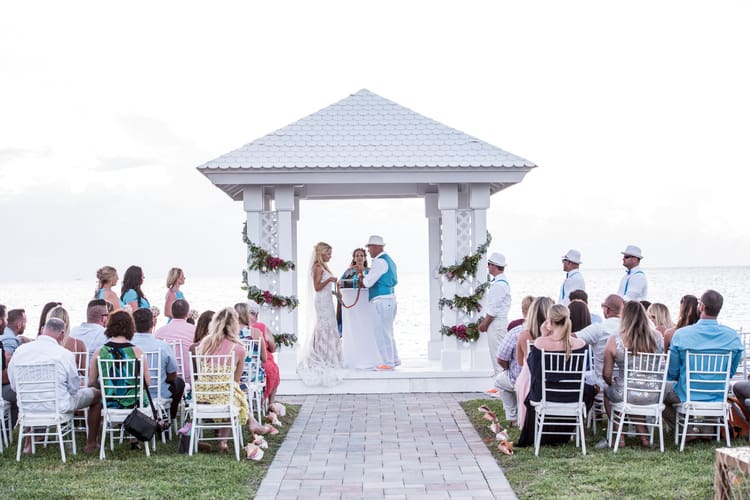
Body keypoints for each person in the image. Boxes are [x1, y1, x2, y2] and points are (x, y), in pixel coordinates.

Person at [10, 317, 102, 453]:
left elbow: (14, 385)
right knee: (96, 394)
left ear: (42, 330)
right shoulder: (64, 355)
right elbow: (74, 388)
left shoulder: (20, 351)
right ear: (62, 334)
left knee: (34, 394)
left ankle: (28, 445)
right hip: (59, 407)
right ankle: (91, 444)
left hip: (27, 407)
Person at [664, 290, 744, 436]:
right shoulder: (732, 337)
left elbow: (673, 371)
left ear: (700, 306)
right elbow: (730, 372)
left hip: (686, 394)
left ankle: (686, 431)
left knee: (660, 395)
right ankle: (707, 430)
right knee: (715, 385)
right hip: (717, 394)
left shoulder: (682, 335)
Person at [195, 307, 274, 450]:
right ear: (234, 325)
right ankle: (225, 440)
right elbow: (236, 380)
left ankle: (247, 426)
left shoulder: (204, 344)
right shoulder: (238, 348)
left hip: (202, 395)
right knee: (235, 393)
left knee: (232, 393)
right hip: (224, 396)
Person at [516, 304, 594, 448]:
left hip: (547, 396)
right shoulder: (580, 344)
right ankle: (567, 431)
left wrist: (544, 335)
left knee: (532, 393)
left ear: (550, 322)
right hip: (573, 396)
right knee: (590, 390)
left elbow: (534, 371)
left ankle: (542, 433)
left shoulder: (541, 343)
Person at [602, 300, 664, 447]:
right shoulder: (657, 338)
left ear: (624, 317)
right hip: (653, 392)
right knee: (633, 392)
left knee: (610, 393)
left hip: (627, 392)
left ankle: (620, 437)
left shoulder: (615, 339)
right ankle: (644, 439)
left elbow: (606, 374)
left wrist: (613, 383)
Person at [89, 310, 151, 449]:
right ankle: (134, 439)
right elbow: (147, 382)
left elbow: (91, 380)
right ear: (130, 328)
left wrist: (106, 387)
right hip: (135, 404)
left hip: (110, 402)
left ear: (109, 326)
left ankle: (94, 441)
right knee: (138, 395)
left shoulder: (100, 351)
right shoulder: (137, 352)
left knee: (98, 398)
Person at [297, 242, 344, 385]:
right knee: (323, 326)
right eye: (328, 253)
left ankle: (331, 356)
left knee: (330, 325)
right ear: (322, 253)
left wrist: (336, 293)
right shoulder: (317, 267)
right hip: (322, 302)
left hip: (328, 300)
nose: (330, 256)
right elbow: (317, 287)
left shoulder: (324, 266)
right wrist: (329, 279)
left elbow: (324, 288)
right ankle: (321, 354)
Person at [131, 308, 185, 421]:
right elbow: (173, 374)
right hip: (158, 394)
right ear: (152, 323)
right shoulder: (163, 346)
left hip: (132, 394)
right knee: (179, 382)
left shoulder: (127, 346)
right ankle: (169, 417)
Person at [357, 235, 400, 370]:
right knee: (388, 331)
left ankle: (387, 363)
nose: (368, 251)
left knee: (381, 332)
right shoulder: (389, 260)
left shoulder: (379, 262)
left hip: (380, 300)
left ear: (375, 247)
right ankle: (394, 359)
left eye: (369, 248)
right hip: (390, 299)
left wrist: (360, 275)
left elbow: (368, 282)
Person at [514, 296, 554, 428]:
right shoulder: (557, 337)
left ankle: (527, 423)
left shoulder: (524, 335)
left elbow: (520, 362)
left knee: (523, 378)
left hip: (529, 380)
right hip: (552, 379)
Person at [574, 294, 624, 392]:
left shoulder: (599, 328)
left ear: (607, 310)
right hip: (626, 386)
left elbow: (572, 338)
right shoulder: (630, 331)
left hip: (602, 386)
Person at [478, 252, 511, 378]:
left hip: (496, 323)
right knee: (496, 353)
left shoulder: (499, 285)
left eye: (489, 264)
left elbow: (493, 309)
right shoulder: (500, 282)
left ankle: (500, 386)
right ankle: (499, 382)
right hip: (498, 322)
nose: (488, 267)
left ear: (494, 266)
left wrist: (484, 324)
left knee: (497, 354)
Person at [246, 300, 281, 414]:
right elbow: (272, 347)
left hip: (241, 367)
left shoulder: (234, 328)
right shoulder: (260, 327)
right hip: (260, 364)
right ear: (256, 315)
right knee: (272, 368)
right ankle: (270, 402)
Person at [154, 299, 195, 382]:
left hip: (166, 377)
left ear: (172, 313)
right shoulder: (194, 330)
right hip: (190, 376)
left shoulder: (160, 332)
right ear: (187, 314)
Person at [337, 248, 369, 336]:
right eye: (357, 256)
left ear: (365, 258)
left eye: (361, 255)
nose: (359, 258)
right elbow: (340, 283)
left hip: (366, 305)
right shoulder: (349, 271)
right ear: (354, 259)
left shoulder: (370, 271)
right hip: (352, 304)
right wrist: (354, 283)